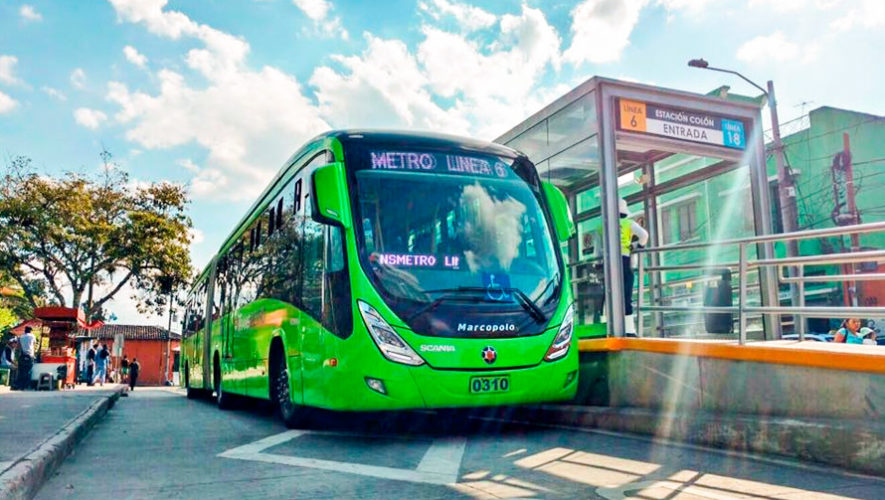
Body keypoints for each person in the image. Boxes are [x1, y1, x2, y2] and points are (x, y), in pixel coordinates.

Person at [619, 199, 649, 332]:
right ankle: (629, 330)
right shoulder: (628, 223)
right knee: (626, 296)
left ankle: (608, 326)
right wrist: (637, 246)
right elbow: (644, 235)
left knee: (610, 297)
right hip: (625, 261)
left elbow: (598, 250)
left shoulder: (602, 226)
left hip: (606, 265)